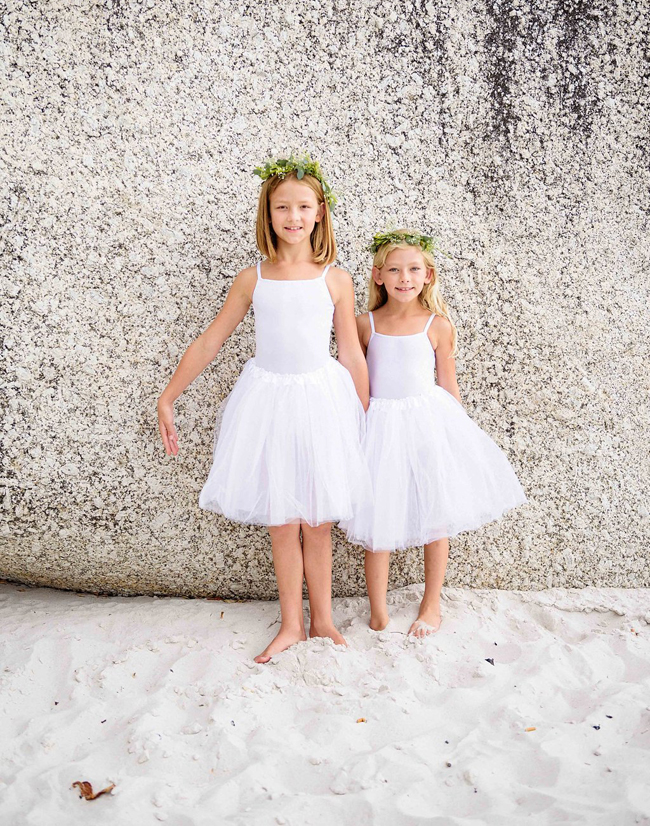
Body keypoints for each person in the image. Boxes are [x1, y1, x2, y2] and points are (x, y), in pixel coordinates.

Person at [157, 154, 371, 662]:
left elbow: (350, 352)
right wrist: (168, 395)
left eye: (302, 207)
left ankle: (323, 620)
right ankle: (291, 624)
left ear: (320, 212)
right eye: (282, 208)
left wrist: (365, 416)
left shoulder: (335, 279)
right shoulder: (252, 278)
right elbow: (211, 340)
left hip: (321, 402)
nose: (292, 217)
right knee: (283, 518)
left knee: (318, 522)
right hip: (269, 402)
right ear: (268, 214)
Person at [341, 229, 528, 638]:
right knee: (378, 518)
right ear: (378, 276)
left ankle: (431, 603)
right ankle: (378, 610)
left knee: (435, 514)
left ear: (428, 275)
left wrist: (458, 436)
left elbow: (447, 384)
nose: (404, 277)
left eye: (413, 269)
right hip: (381, 428)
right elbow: (357, 384)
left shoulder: (437, 325)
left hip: (427, 424)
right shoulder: (364, 325)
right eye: (394, 269)